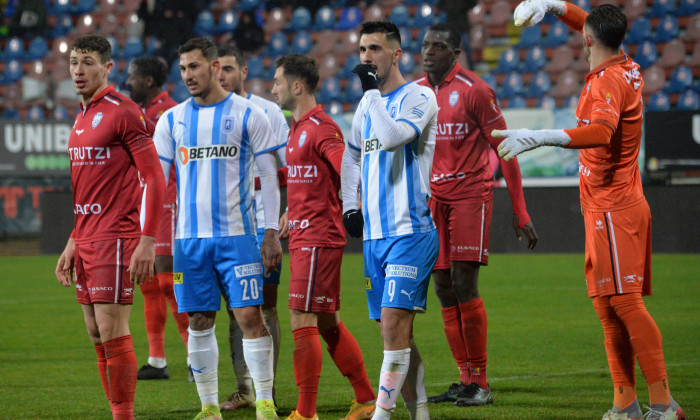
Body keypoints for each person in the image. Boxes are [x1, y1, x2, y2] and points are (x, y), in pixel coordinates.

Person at [497, 2, 686, 419]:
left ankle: (663, 403)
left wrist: (540, 137)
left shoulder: (607, 83)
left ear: (587, 41)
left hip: (614, 208)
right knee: (607, 305)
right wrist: (554, 6)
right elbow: (590, 24)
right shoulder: (626, 64)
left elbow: (602, 133)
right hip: (604, 206)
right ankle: (625, 403)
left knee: (626, 303)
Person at [153, 37, 282, 420]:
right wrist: (145, 237)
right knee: (198, 320)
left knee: (250, 318)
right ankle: (209, 406)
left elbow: (269, 178)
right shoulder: (171, 120)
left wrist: (271, 231)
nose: (187, 75)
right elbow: (155, 183)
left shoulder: (247, 113)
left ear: (213, 67)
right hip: (189, 241)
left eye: (194, 67)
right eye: (182, 69)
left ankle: (264, 401)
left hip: (238, 238)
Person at [414, 23, 538, 407]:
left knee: (463, 280)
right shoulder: (416, 93)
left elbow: (506, 149)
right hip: (433, 200)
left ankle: (480, 381)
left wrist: (520, 209)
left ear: (455, 52)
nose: (429, 51)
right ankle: (464, 377)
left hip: (471, 195)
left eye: (438, 46)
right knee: (442, 286)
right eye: (425, 45)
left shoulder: (476, 90)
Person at [55, 35, 166, 420]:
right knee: (95, 334)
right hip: (85, 237)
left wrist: (147, 240)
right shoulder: (82, 114)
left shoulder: (123, 111)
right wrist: (73, 238)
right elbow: (86, 185)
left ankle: (124, 416)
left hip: (116, 237)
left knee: (113, 329)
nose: (78, 70)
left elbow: (154, 177)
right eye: (73, 62)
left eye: (87, 62)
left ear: (108, 67)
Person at [340, 21, 439, 420]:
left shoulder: (420, 95)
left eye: (375, 49)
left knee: (395, 326)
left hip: (411, 230)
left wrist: (371, 95)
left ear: (396, 54)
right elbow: (351, 156)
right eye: (362, 49)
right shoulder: (367, 104)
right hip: (375, 236)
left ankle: (382, 415)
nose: (366, 57)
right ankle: (421, 411)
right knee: (395, 332)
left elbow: (395, 135)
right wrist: (350, 204)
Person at [271, 53, 377, 420]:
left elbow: (348, 165)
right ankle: (366, 399)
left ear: (297, 86)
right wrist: (291, 210)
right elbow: (310, 180)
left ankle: (306, 413)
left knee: (302, 319)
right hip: (304, 233)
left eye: (278, 82)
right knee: (327, 322)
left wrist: (355, 203)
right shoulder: (297, 128)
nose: (273, 88)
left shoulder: (322, 128)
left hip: (318, 238)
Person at [216, 45, 287, 411]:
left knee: (265, 308)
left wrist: (280, 220)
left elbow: (288, 170)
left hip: (261, 226)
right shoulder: (208, 116)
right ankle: (245, 389)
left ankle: (265, 391)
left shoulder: (269, 112)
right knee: (234, 310)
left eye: (229, 69)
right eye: (219, 70)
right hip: (224, 229)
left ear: (243, 71)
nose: (222, 76)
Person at [125, 56, 191, 381]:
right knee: (150, 283)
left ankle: (195, 358)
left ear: (149, 81)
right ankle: (157, 360)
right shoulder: (142, 113)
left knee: (167, 280)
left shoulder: (169, 112)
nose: (128, 83)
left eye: (133, 77)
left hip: (169, 200)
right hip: (148, 201)